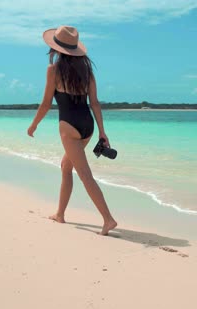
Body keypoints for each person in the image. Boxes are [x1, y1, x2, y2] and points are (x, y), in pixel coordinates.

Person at [27, 25, 117, 236]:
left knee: (85, 175)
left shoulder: (54, 71)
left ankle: (108, 219)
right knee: (66, 166)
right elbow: (94, 103)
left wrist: (34, 124)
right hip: (87, 126)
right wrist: (102, 132)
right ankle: (60, 214)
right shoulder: (87, 71)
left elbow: (46, 103)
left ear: (56, 48)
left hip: (68, 126)